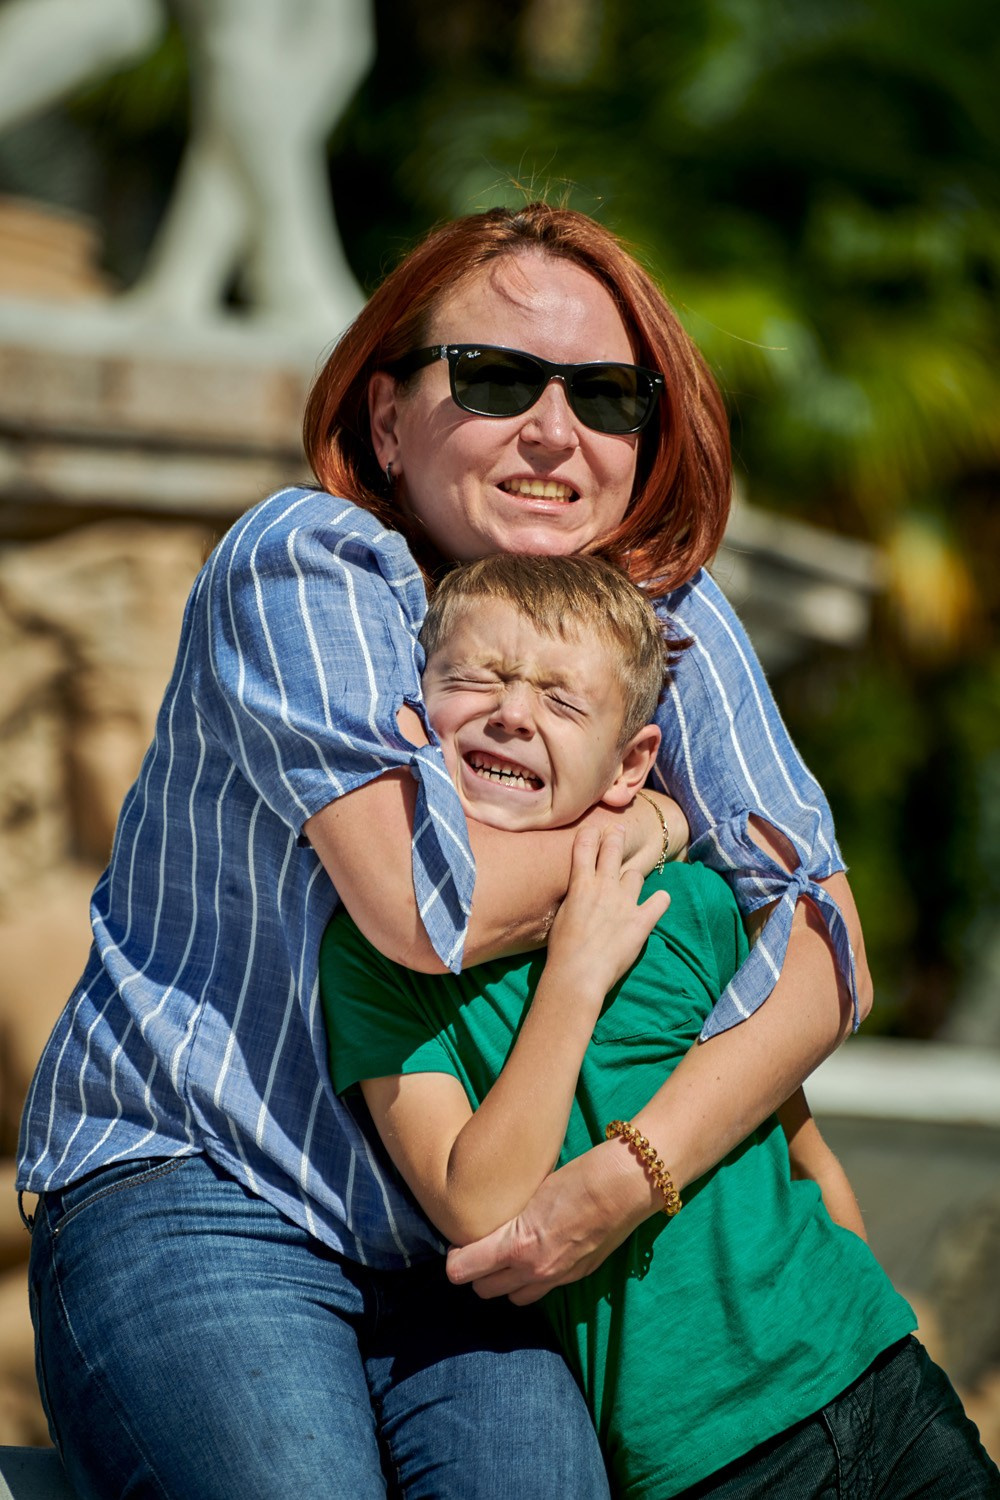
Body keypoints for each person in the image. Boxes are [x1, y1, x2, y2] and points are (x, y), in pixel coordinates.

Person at [18, 202, 874, 1498]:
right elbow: (430, 907)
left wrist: (627, 1177)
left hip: (476, 1243)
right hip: (207, 1185)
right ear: (385, 417)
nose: (554, 429)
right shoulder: (308, 561)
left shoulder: (663, 613)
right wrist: (653, 826)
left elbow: (826, 935)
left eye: (606, 398)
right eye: (494, 379)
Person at [321, 553, 1000, 1498]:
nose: (513, 713)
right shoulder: (376, 959)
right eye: (475, 678)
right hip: (698, 1466)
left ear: (631, 764)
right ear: (411, 711)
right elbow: (477, 1204)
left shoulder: (690, 906)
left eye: (563, 701)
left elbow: (800, 1147)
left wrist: (888, 1326)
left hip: (875, 1376)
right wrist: (576, 969)